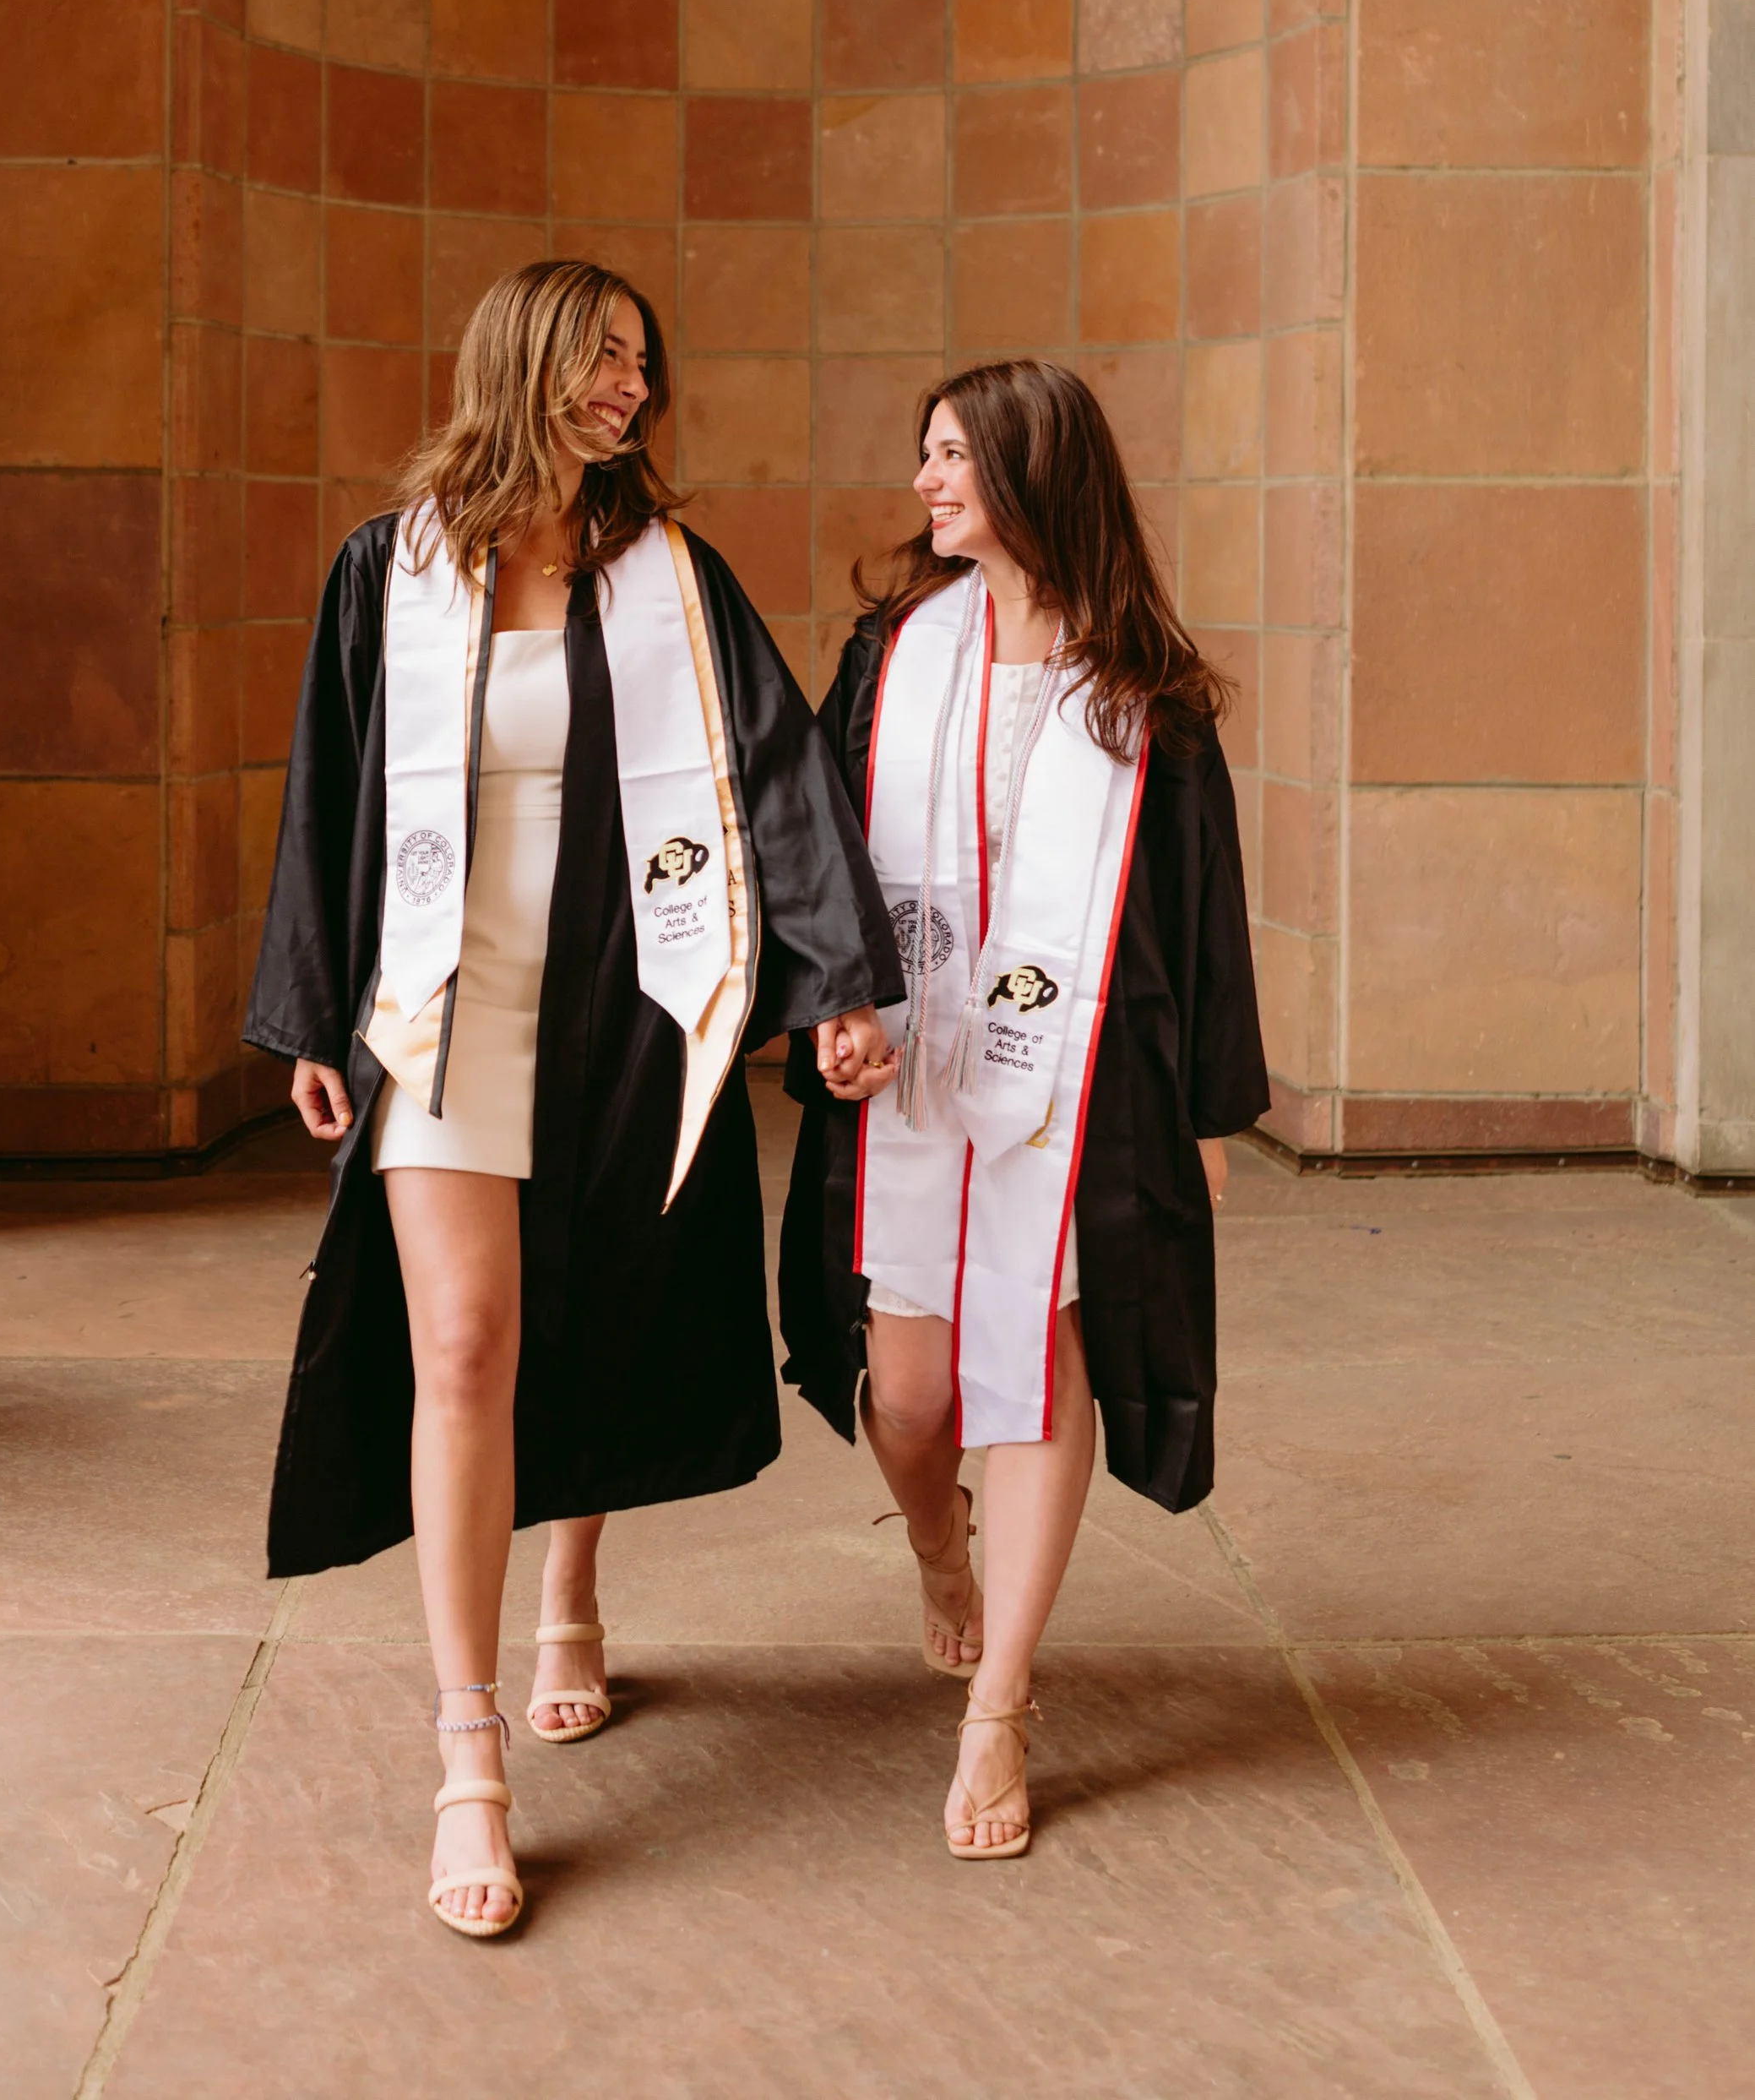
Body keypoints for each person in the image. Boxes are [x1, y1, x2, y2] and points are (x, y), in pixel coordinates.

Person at [246, 259, 899, 1940]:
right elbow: (326, 787)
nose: (630, 388)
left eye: (639, 365)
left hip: (625, 1003)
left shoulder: (667, 579)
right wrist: (312, 1005)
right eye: (601, 360)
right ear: (520, 364)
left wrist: (831, 983)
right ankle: (467, 1752)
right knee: (462, 1339)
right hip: (441, 1005)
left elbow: (774, 778)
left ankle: (574, 1588)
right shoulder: (385, 572)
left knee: (582, 1304)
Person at [779, 360, 1269, 1860]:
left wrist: (1203, 1117)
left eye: (952, 459)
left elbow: (1199, 917)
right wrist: (831, 1018)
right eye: (922, 455)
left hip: (1073, 1086)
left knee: (1038, 1371)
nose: (926, 484)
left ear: (1030, 473)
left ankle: (1002, 1702)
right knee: (915, 1398)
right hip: (913, 1071)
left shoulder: (1144, 698)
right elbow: (813, 853)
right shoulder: (892, 651)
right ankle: (941, 1548)